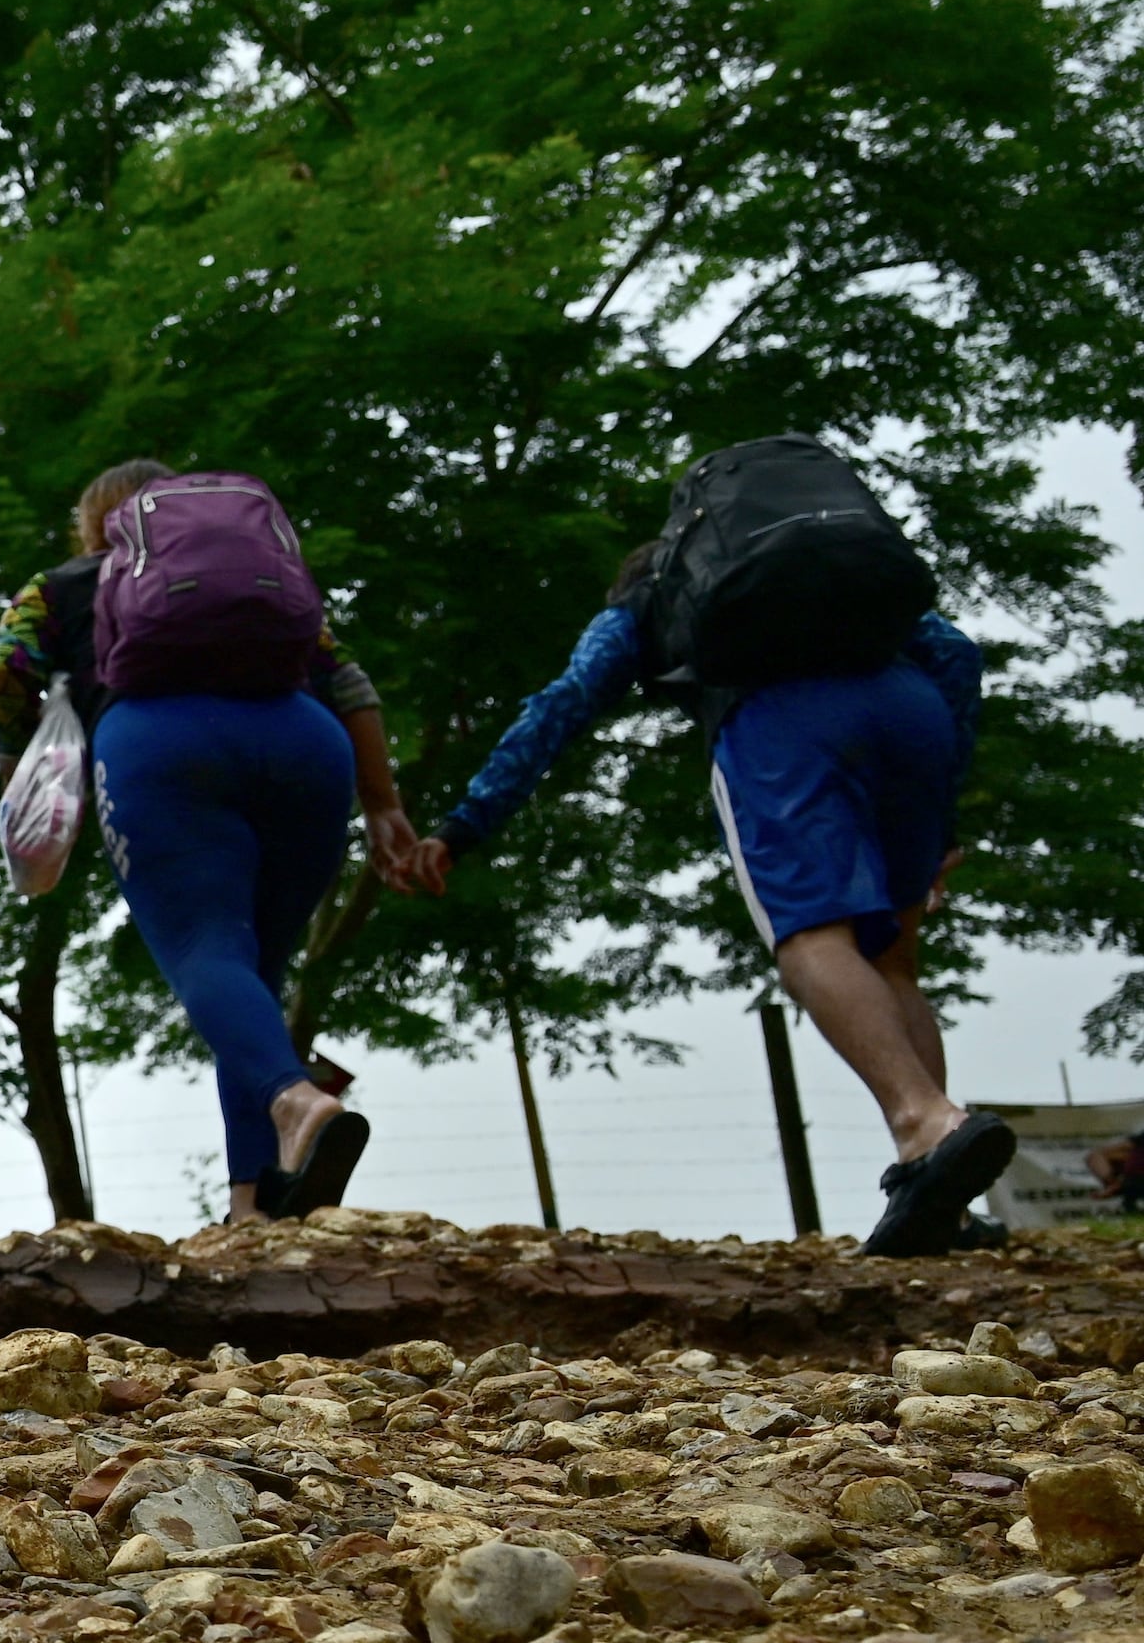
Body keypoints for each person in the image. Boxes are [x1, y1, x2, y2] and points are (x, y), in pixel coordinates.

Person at [420, 526, 1003, 1253]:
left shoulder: (651, 595)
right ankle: (943, 1202)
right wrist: (940, 810)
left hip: (783, 727)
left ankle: (925, 1122)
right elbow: (955, 651)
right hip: (914, 710)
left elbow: (563, 702)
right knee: (893, 961)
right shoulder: (837, 586)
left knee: (811, 937)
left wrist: (463, 825)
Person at [0, 459, 429, 1219]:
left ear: (96, 522)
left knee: (207, 950)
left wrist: (17, 784)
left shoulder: (58, 585)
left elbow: (7, 675)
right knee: (253, 973)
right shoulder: (262, 577)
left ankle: (298, 1104)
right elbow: (346, 677)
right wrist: (383, 803)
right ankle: (253, 1201)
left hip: (158, 743)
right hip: (307, 742)